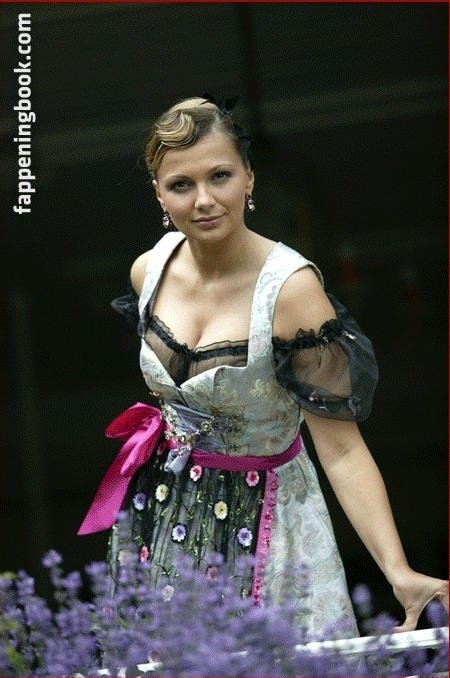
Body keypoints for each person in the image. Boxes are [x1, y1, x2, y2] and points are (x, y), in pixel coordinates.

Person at [79, 96, 447, 639]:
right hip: (165, 517)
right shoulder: (149, 271)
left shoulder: (292, 290)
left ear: (248, 178)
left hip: (274, 528)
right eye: (181, 184)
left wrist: (399, 573)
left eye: (220, 176)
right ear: (159, 193)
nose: (204, 200)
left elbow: (342, 449)